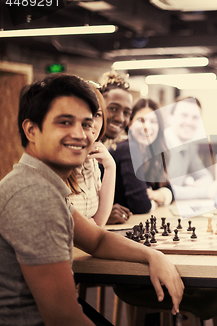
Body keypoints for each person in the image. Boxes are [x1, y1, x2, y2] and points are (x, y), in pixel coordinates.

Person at [0, 74, 184, 325]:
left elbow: (97, 239)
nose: (80, 134)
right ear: (31, 130)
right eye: (64, 122)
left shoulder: (40, 183)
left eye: (87, 123)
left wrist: (154, 256)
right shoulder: (34, 197)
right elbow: (63, 317)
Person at [110, 98, 173, 214]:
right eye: (140, 120)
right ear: (129, 123)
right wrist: (156, 201)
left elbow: (170, 190)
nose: (146, 126)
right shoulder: (127, 148)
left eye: (153, 121)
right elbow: (141, 205)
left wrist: (159, 195)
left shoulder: (151, 154)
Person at [68, 83, 116, 226]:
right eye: (84, 114)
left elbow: (99, 223)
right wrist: (87, 227)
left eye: (97, 115)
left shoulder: (92, 159)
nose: (91, 122)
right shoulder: (57, 161)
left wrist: (110, 167)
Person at [99, 71, 135, 224]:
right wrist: (102, 214)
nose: (121, 118)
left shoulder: (103, 149)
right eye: (113, 108)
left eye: (127, 113)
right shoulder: (83, 151)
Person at [164, 97, 214, 199]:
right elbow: (165, 191)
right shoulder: (160, 145)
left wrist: (197, 183)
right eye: (184, 115)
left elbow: (206, 176)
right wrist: (203, 192)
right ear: (170, 118)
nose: (189, 122)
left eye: (195, 118)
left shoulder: (189, 146)